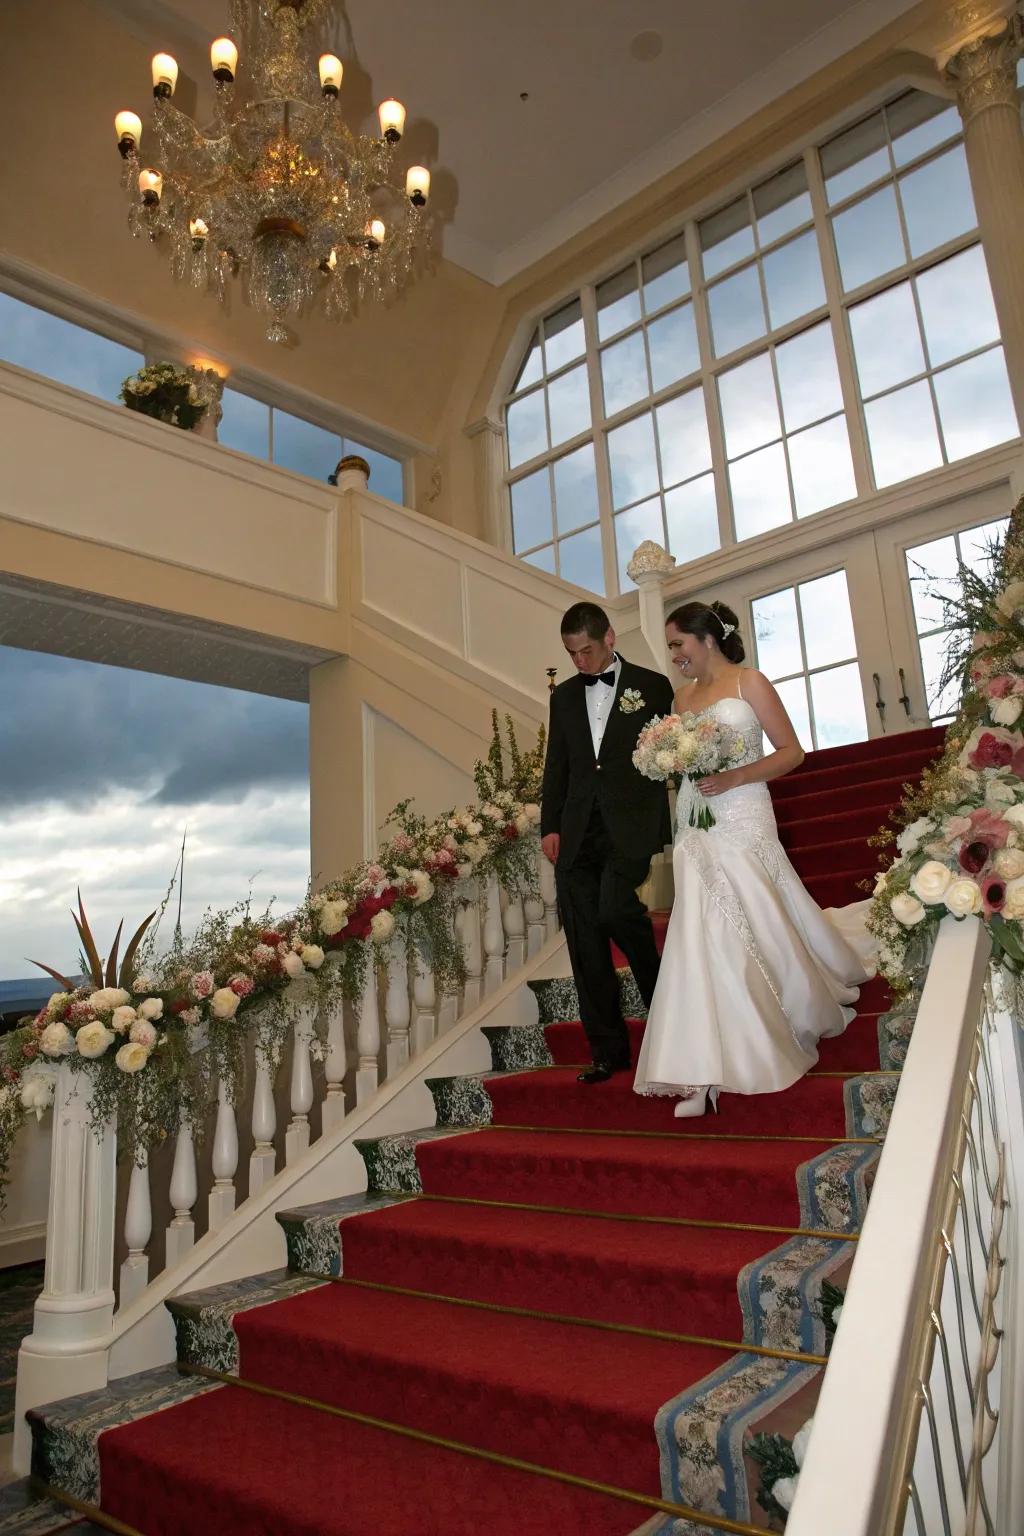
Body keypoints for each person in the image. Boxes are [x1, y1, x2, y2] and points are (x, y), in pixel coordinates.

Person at [633, 600, 873, 1118]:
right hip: (696, 816)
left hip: (742, 809)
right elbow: (685, 760)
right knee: (698, 928)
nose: (674, 655)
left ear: (706, 639)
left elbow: (791, 752)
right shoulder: (680, 697)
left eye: (678, 644)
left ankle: (773, 1019)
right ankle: (701, 1067)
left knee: (748, 913)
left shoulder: (750, 683)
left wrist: (736, 776)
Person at [541, 602, 675, 1083]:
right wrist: (550, 826)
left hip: (630, 825)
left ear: (609, 639)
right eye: (571, 654)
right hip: (577, 830)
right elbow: (557, 764)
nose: (580, 661)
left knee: (616, 910)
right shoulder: (563, 698)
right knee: (585, 940)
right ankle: (607, 1050)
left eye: (586, 651)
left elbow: (668, 755)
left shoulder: (653, 687)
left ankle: (668, 1012)